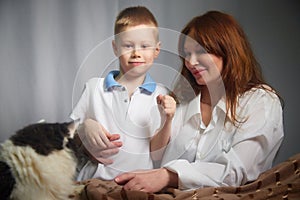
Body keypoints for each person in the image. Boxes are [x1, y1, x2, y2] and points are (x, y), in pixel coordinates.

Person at [114, 10, 284, 192]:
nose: (191, 62)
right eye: (187, 54)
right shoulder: (180, 103)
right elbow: (153, 157)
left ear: (228, 50)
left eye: (201, 51)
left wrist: (169, 175)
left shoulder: (261, 101)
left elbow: (237, 172)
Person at [70, 6, 176, 181]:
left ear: (156, 50)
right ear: (115, 48)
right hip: (92, 181)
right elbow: (70, 138)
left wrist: (168, 119)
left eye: (144, 46)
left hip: (137, 184)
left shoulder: (162, 94)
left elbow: (157, 155)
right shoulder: (93, 88)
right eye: (128, 45)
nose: (136, 53)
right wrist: (84, 127)